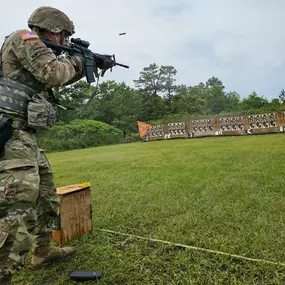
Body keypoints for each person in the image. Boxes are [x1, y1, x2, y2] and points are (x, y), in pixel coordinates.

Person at [0, 6, 112, 284]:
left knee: (47, 195)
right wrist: (78, 61)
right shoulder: (24, 38)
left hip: (26, 138)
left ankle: (43, 252)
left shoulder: (37, 52)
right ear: (50, 29)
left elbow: (54, 77)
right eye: (64, 36)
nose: (64, 42)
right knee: (18, 209)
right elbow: (53, 74)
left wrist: (90, 64)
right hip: (11, 136)